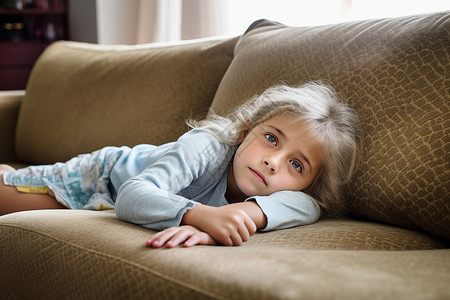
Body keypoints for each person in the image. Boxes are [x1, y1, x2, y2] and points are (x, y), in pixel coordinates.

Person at [0, 81, 361, 248]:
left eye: (296, 165)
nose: (272, 161)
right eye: (271, 138)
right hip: (101, 178)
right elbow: (132, 195)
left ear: (308, 185)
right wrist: (201, 216)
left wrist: (227, 225)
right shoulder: (207, 145)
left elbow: (307, 207)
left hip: (113, 199)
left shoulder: (300, 200)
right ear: (246, 130)